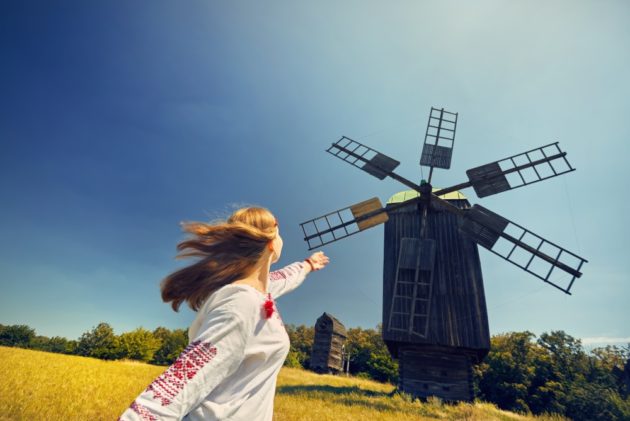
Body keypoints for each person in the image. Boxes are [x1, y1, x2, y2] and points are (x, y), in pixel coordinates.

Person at [119, 206, 329, 421]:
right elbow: (177, 386)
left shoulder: (257, 294)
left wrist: (308, 265)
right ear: (271, 243)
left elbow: (282, 279)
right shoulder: (241, 302)